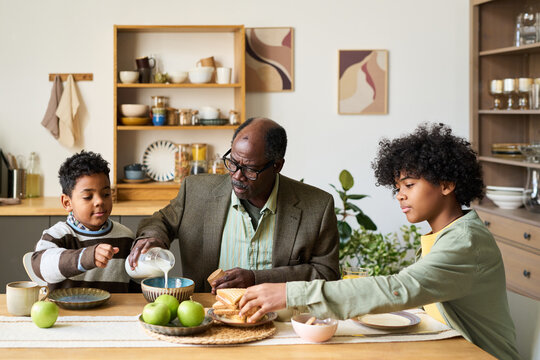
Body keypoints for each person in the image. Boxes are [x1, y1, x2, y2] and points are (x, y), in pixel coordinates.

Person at [239, 123, 520, 360]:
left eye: (409, 185)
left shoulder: (466, 243)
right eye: (397, 188)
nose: (399, 195)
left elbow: (401, 288)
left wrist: (290, 294)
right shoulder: (449, 233)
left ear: (447, 185)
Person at [129, 117, 340, 293]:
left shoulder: (317, 207)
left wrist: (256, 279)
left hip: (281, 318)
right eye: (233, 162)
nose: (236, 176)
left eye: (249, 169)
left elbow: (326, 274)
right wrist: (152, 238)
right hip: (206, 315)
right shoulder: (196, 192)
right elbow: (160, 221)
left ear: (277, 165)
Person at [31, 151, 136, 292]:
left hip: (114, 313)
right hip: (68, 314)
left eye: (106, 194)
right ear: (67, 202)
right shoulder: (58, 235)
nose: (99, 201)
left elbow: (136, 284)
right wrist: (86, 257)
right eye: (88, 196)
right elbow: (41, 265)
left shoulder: (125, 236)